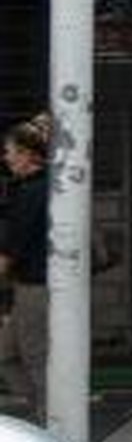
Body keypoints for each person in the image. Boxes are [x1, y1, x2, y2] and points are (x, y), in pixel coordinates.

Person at [0, 118, 47, 424]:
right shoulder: (34, 187)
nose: (6, 157)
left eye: (10, 151)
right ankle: (44, 412)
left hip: (35, 287)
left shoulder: (32, 192)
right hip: (27, 286)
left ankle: (53, 418)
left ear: (28, 154)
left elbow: (12, 248)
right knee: (6, 354)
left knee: (34, 357)